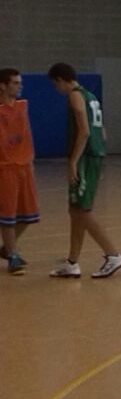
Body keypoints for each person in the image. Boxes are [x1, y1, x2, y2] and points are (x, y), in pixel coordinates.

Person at [47, 63, 121, 279]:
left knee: (82, 211)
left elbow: (84, 131)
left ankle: (113, 255)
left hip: (85, 157)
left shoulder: (75, 95)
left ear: (62, 80)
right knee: (75, 212)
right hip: (93, 156)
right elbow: (104, 133)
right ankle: (72, 263)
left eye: (56, 85)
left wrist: (73, 161)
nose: (57, 90)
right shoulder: (91, 95)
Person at [0, 69, 38, 275]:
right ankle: (13, 255)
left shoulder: (22, 107)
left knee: (28, 216)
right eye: (15, 82)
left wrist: (30, 162)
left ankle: (7, 248)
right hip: (5, 168)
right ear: (3, 85)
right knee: (8, 215)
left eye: (19, 82)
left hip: (24, 166)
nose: (19, 86)